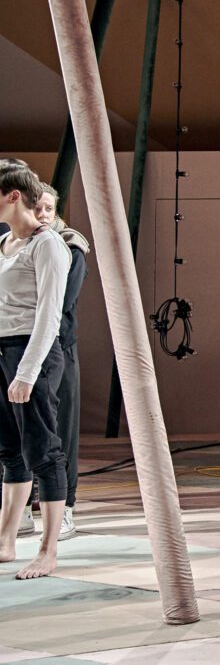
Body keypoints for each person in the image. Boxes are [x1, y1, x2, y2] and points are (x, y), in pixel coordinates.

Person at [0, 159, 71, 579]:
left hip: (33, 353)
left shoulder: (48, 245)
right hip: (3, 349)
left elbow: (48, 315)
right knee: (10, 451)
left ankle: (47, 550)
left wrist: (27, 372)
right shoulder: (6, 243)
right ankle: (5, 541)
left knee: (43, 451)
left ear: (13, 196)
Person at [33, 183, 89, 540]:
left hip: (57, 347)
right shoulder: (15, 245)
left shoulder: (70, 246)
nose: (41, 215)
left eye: (47, 209)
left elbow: (60, 303)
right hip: (20, 347)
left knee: (61, 427)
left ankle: (65, 506)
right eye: (36, 208)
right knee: (19, 428)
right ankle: (22, 507)